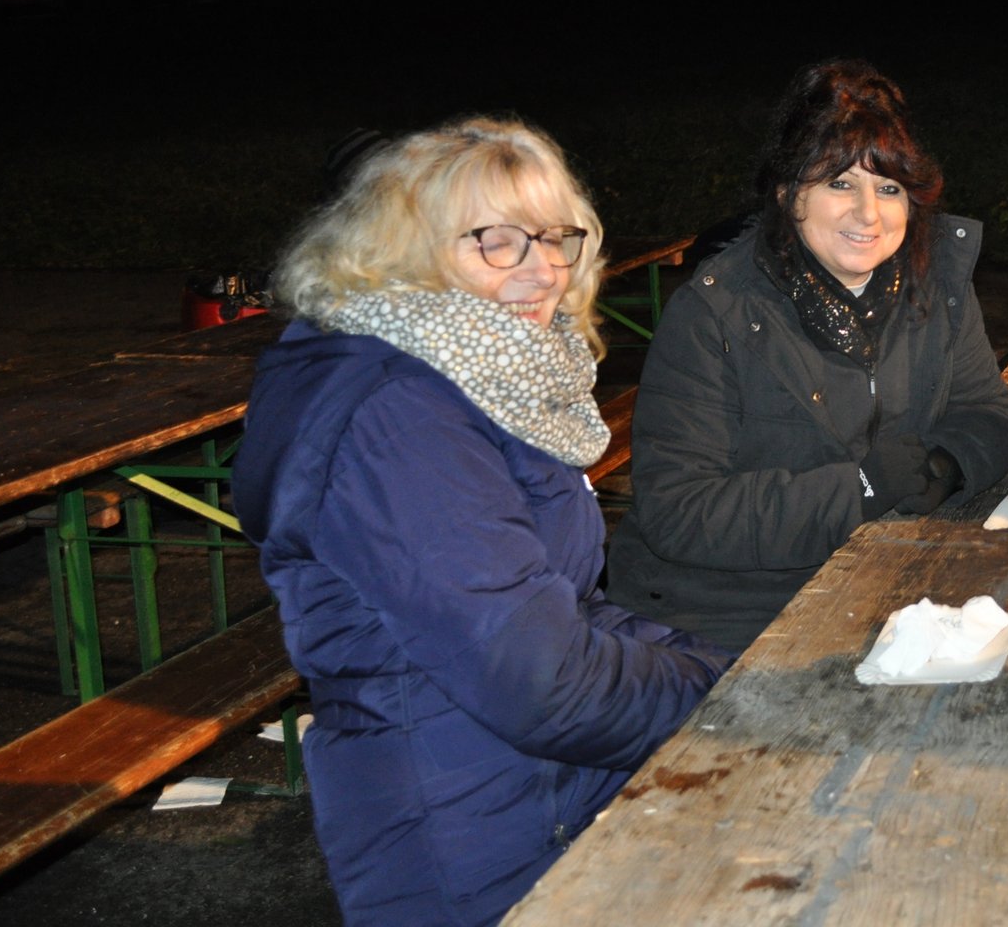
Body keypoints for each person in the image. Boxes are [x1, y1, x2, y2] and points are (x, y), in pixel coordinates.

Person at [233, 117, 732, 927]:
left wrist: (732, 672)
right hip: (465, 834)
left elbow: (563, 604)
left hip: (537, 790)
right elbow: (540, 685)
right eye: (494, 241)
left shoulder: (487, 376)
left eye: (554, 237)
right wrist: (732, 701)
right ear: (403, 251)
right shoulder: (399, 419)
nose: (542, 270)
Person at [607, 59, 1008, 651]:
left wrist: (947, 464)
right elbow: (680, 511)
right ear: (787, 193)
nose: (868, 213)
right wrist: (860, 490)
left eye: (888, 188)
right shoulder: (715, 311)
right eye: (839, 183)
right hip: (722, 614)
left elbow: (985, 409)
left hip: (882, 581)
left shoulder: (935, 283)